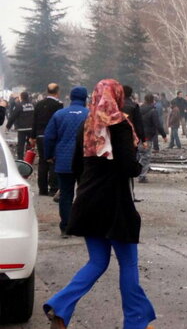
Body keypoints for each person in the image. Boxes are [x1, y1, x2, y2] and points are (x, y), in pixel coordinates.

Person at [43, 79, 155, 329]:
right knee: (128, 264)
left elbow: (75, 166)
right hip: (115, 204)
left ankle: (60, 307)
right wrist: (138, 164)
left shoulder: (87, 124)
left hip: (88, 202)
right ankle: (136, 322)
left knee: (96, 262)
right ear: (116, 97)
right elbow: (129, 167)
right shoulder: (121, 125)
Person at [43, 86, 89, 238]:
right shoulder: (90, 115)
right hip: (85, 161)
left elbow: (49, 137)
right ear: (85, 98)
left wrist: (49, 155)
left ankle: (66, 227)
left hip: (64, 160)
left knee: (66, 194)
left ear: (70, 97)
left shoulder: (59, 114)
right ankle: (82, 225)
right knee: (84, 194)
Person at [30, 83, 63, 196]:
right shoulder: (58, 105)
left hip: (40, 136)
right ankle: (53, 188)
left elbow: (34, 120)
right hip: (53, 136)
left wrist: (32, 136)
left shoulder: (39, 104)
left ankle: (42, 189)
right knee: (52, 161)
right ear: (57, 92)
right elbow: (59, 122)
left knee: (43, 162)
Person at [138, 94, 167, 183]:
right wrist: (164, 135)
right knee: (146, 156)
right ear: (153, 101)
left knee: (139, 155)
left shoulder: (138, 109)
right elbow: (157, 124)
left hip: (137, 135)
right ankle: (142, 176)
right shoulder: (153, 111)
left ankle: (137, 172)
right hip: (147, 136)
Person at [6, 91, 35, 160]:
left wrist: (8, 126)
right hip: (31, 128)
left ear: (21, 97)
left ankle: (20, 159)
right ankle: (29, 159)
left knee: (21, 145)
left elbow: (13, 116)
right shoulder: (33, 105)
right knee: (30, 144)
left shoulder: (19, 105)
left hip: (22, 128)